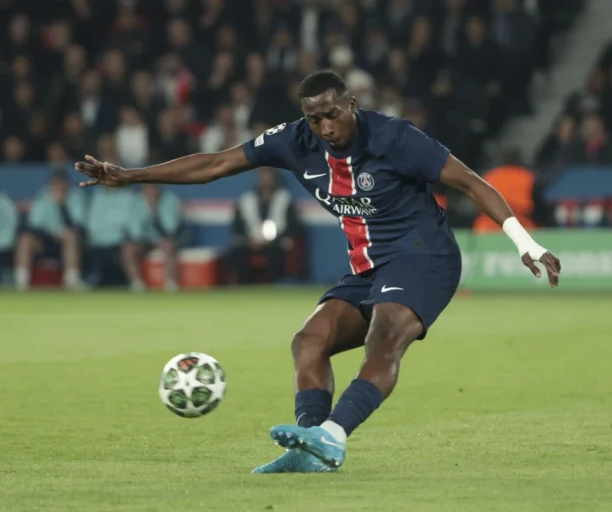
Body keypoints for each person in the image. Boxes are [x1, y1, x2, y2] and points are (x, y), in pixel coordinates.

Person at [75, 70, 561, 473]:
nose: (325, 126)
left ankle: (332, 435)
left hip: (424, 256)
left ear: (351, 103)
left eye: (333, 113)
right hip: (367, 267)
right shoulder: (296, 141)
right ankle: (306, 448)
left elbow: (470, 183)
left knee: (384, 337)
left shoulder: (395, 138)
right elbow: (216, 164)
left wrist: (524, 242)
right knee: (308, 341)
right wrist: (131, 175)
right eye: (315, 117)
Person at [228, 167, 303, 284]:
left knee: (275, 252)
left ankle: (274, 286)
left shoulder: (284, 199)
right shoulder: (246, 200)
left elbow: (294, 226)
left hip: (276, 242)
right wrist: (249, 240)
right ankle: (243, 287)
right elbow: (237, 227)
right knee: (237, 252)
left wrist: (274, 239)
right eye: (262, 176)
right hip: (251, 242)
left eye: (269, 176)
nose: (266, 179)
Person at [14, 170, 86, 291]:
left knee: (71, 236)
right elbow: (33, 224)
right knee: (25, 239)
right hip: (45, 240)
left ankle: (72, 282)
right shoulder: (43, 196)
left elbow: (77, 225)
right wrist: (44, 237)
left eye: (61, 183)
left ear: (67, 184)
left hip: (66, 241)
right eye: (55, 183)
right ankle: (21, 283)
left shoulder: (76, 196)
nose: (58, 187)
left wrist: (62, 205)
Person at [123, 184, 183, 292]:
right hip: (144, 240)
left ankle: (171, 283)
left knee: (169, 245)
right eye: (148, 188)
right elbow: (135, 231)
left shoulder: (170, 200)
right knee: (129, 249)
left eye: (154, 187)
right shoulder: (136, 201)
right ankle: (137, 284)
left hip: (163, 239)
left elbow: (170, 229)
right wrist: (148, 212)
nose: (151, 191)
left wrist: (155, 211)